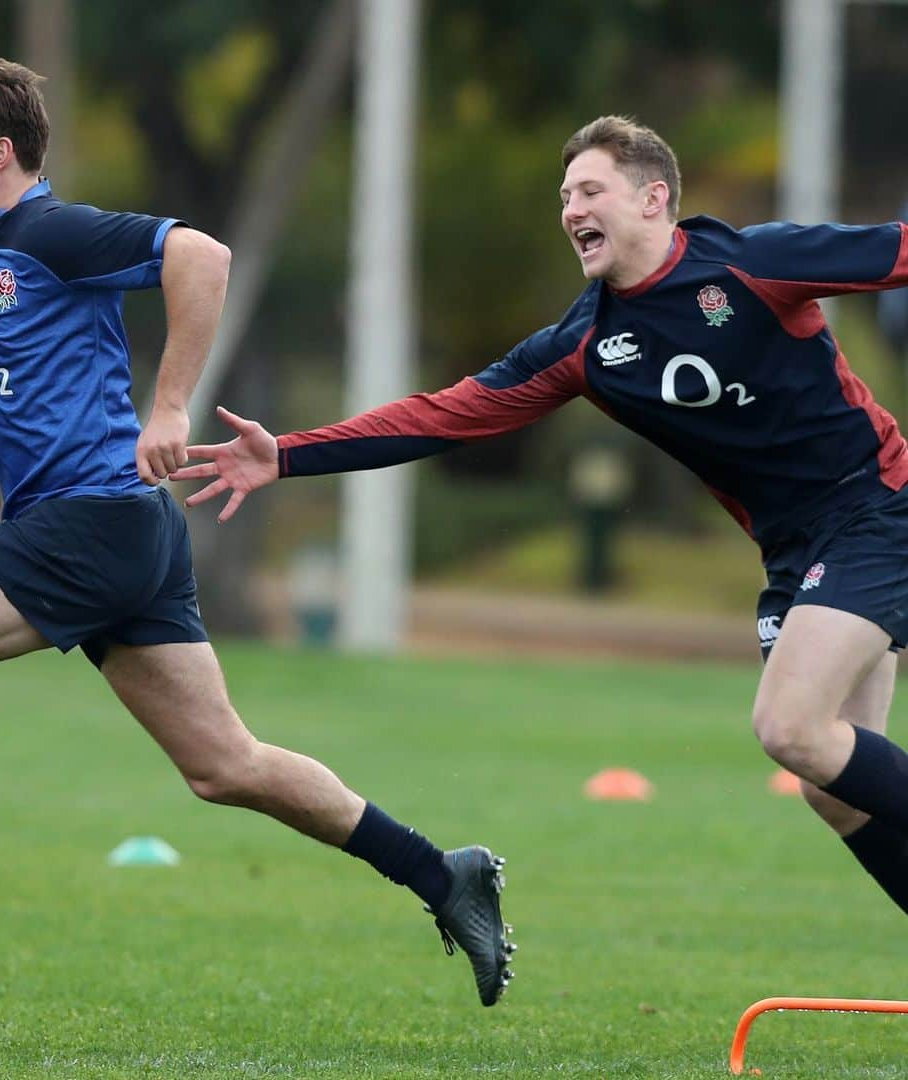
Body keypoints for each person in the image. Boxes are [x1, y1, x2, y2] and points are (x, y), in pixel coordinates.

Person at [0, 59, 515, 1007]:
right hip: (119, 532)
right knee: (225, 766)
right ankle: (445, 876)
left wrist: (171, 406)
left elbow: (204, 256)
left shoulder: (50, 229)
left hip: (96, 519)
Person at [177, 114, 908, 924]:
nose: (570, 210)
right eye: (565, 197)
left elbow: (897, 249)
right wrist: (286, 454)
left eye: (590, 190)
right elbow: (443, 415)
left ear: (653, 199)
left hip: (876, 504)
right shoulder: (586, 344)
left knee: (789, 727)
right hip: (791, 550)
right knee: (830, 787)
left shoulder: (752, 262)